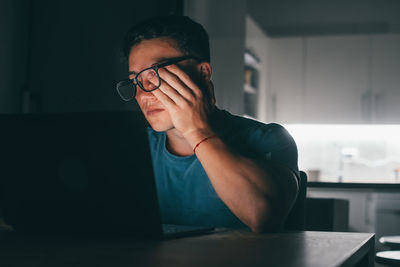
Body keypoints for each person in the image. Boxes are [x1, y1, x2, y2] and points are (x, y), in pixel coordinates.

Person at [117, 15, 299, 233]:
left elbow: (263, 217)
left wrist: (195, 129)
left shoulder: (269, 138)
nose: (143, 94)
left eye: (156, 74)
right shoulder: (134, 147)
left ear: (203, 73)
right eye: (135, 80)